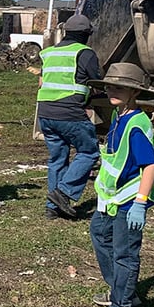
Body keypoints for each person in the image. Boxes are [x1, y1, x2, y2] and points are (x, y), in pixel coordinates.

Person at [86, 63, 154, 307]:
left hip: (130, 201)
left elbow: (149, 165)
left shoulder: (137, 124)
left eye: (120, 87)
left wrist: (140, 203)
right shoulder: (120, 115)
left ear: (134, 92)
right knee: (99, 233)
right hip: (112, 198)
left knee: (125, 254)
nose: (112, 90)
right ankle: (120, 290)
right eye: (109, 85)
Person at [37, 14, 102, 219]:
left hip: (46, 112)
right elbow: (96, 82)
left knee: (58, 158)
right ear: (86, 35)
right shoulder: (84, 53)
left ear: (65, 31)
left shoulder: (48, 53)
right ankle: (63, 192)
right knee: (89, 152)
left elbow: (42, 81)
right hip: (70, 112)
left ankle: (51, 208)